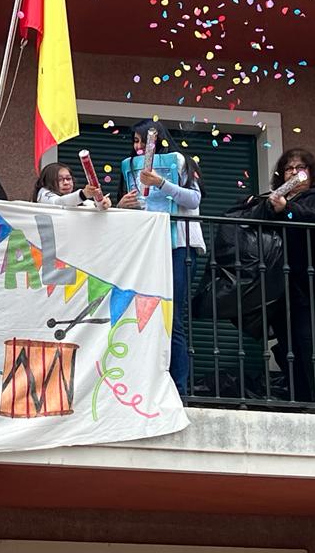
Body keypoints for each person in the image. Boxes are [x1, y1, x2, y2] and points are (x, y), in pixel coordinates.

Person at [115, 120, 205, 396]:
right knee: (143, 314)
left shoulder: (180, 162)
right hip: (145, 248)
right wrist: (122, 205)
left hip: (178, 246)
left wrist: (161, 183)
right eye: (135, 142)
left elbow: (194, 199)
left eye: (144, 142)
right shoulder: (129, 166)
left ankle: (177, 389)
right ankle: (144, 384)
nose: (139, 147)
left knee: (171, 316)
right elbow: (126, 205)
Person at [246, 147, 315, 403]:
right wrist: (265, 205)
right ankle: (298, 400)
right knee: (289, 347)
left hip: (312, 286)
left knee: (310, 344)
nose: (294, 172)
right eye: (289, 168)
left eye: (300, 168)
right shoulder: (274, 199)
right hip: (281, 287)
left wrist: (288, 209)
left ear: (310, 173)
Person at [32, 162, 111, 209]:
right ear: (48, 181)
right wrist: (84, 194)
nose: (66, 182)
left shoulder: (79, 200)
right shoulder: (43, 194)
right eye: (59, 179)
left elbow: (89, 205)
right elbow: (58, 203)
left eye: (68, 178)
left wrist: (101, 203)